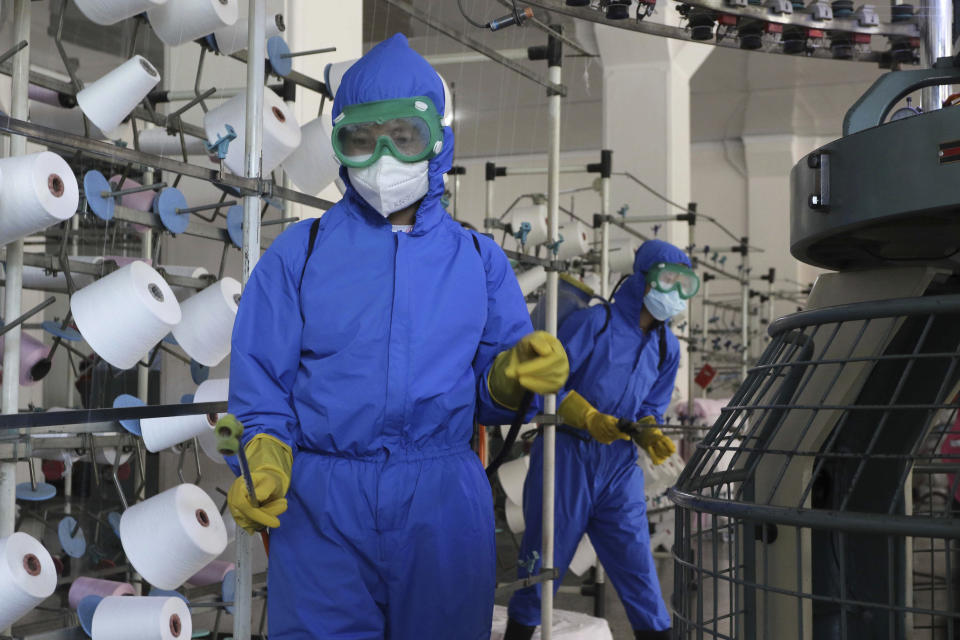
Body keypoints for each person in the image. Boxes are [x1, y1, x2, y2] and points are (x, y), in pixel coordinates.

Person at [225, 34, 568, 639]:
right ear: (340, 146)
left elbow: (492, 397)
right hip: (321, 507)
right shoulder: (298, 255)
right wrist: (266, 458)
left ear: (437, 141)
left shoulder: (479, 262)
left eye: (402, 137)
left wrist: (512, 375)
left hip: (440, 506)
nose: (382, 158)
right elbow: (261, 387)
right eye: (361, 139)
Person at [504, 239, 700, 640]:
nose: (675, 293)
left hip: (620, 467)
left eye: (685, 284)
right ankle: (519, 633)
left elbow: (651, 403)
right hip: (566, 458)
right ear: (643, 278)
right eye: (668, 280)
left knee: (637, 569)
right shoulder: (596, 324)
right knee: (543, 564)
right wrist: (586, 416)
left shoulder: (667, 347)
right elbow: (546, 382)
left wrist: (649, 432)